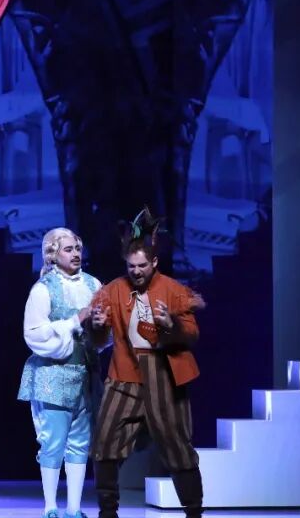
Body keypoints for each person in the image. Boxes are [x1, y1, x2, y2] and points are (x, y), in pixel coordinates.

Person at [88, 208, 205, 518]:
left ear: (154, 263)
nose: (136, 271)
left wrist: (170, 324)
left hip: (164, 376)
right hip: (125, 373)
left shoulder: (172, 289)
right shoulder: (113, 290)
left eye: (142, 266)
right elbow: (99, 338)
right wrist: (97, 325)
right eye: (131, 266)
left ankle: (194, 513)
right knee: (104, 442)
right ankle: (108, 513)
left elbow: (192, 334)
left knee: (177, 446)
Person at [18, 228, 102, 518]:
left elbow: (104, 332)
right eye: (68, 249)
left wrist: (101, 326)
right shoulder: (44, 289)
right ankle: (51, 507)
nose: (76, 253)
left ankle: (75, 508)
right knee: (53, 442)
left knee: (80, 442)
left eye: (77, 248)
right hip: (53, 375)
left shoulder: (93, 284)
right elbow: (34, 333)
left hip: (85, 374)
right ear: (53, 255)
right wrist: (74, 321)